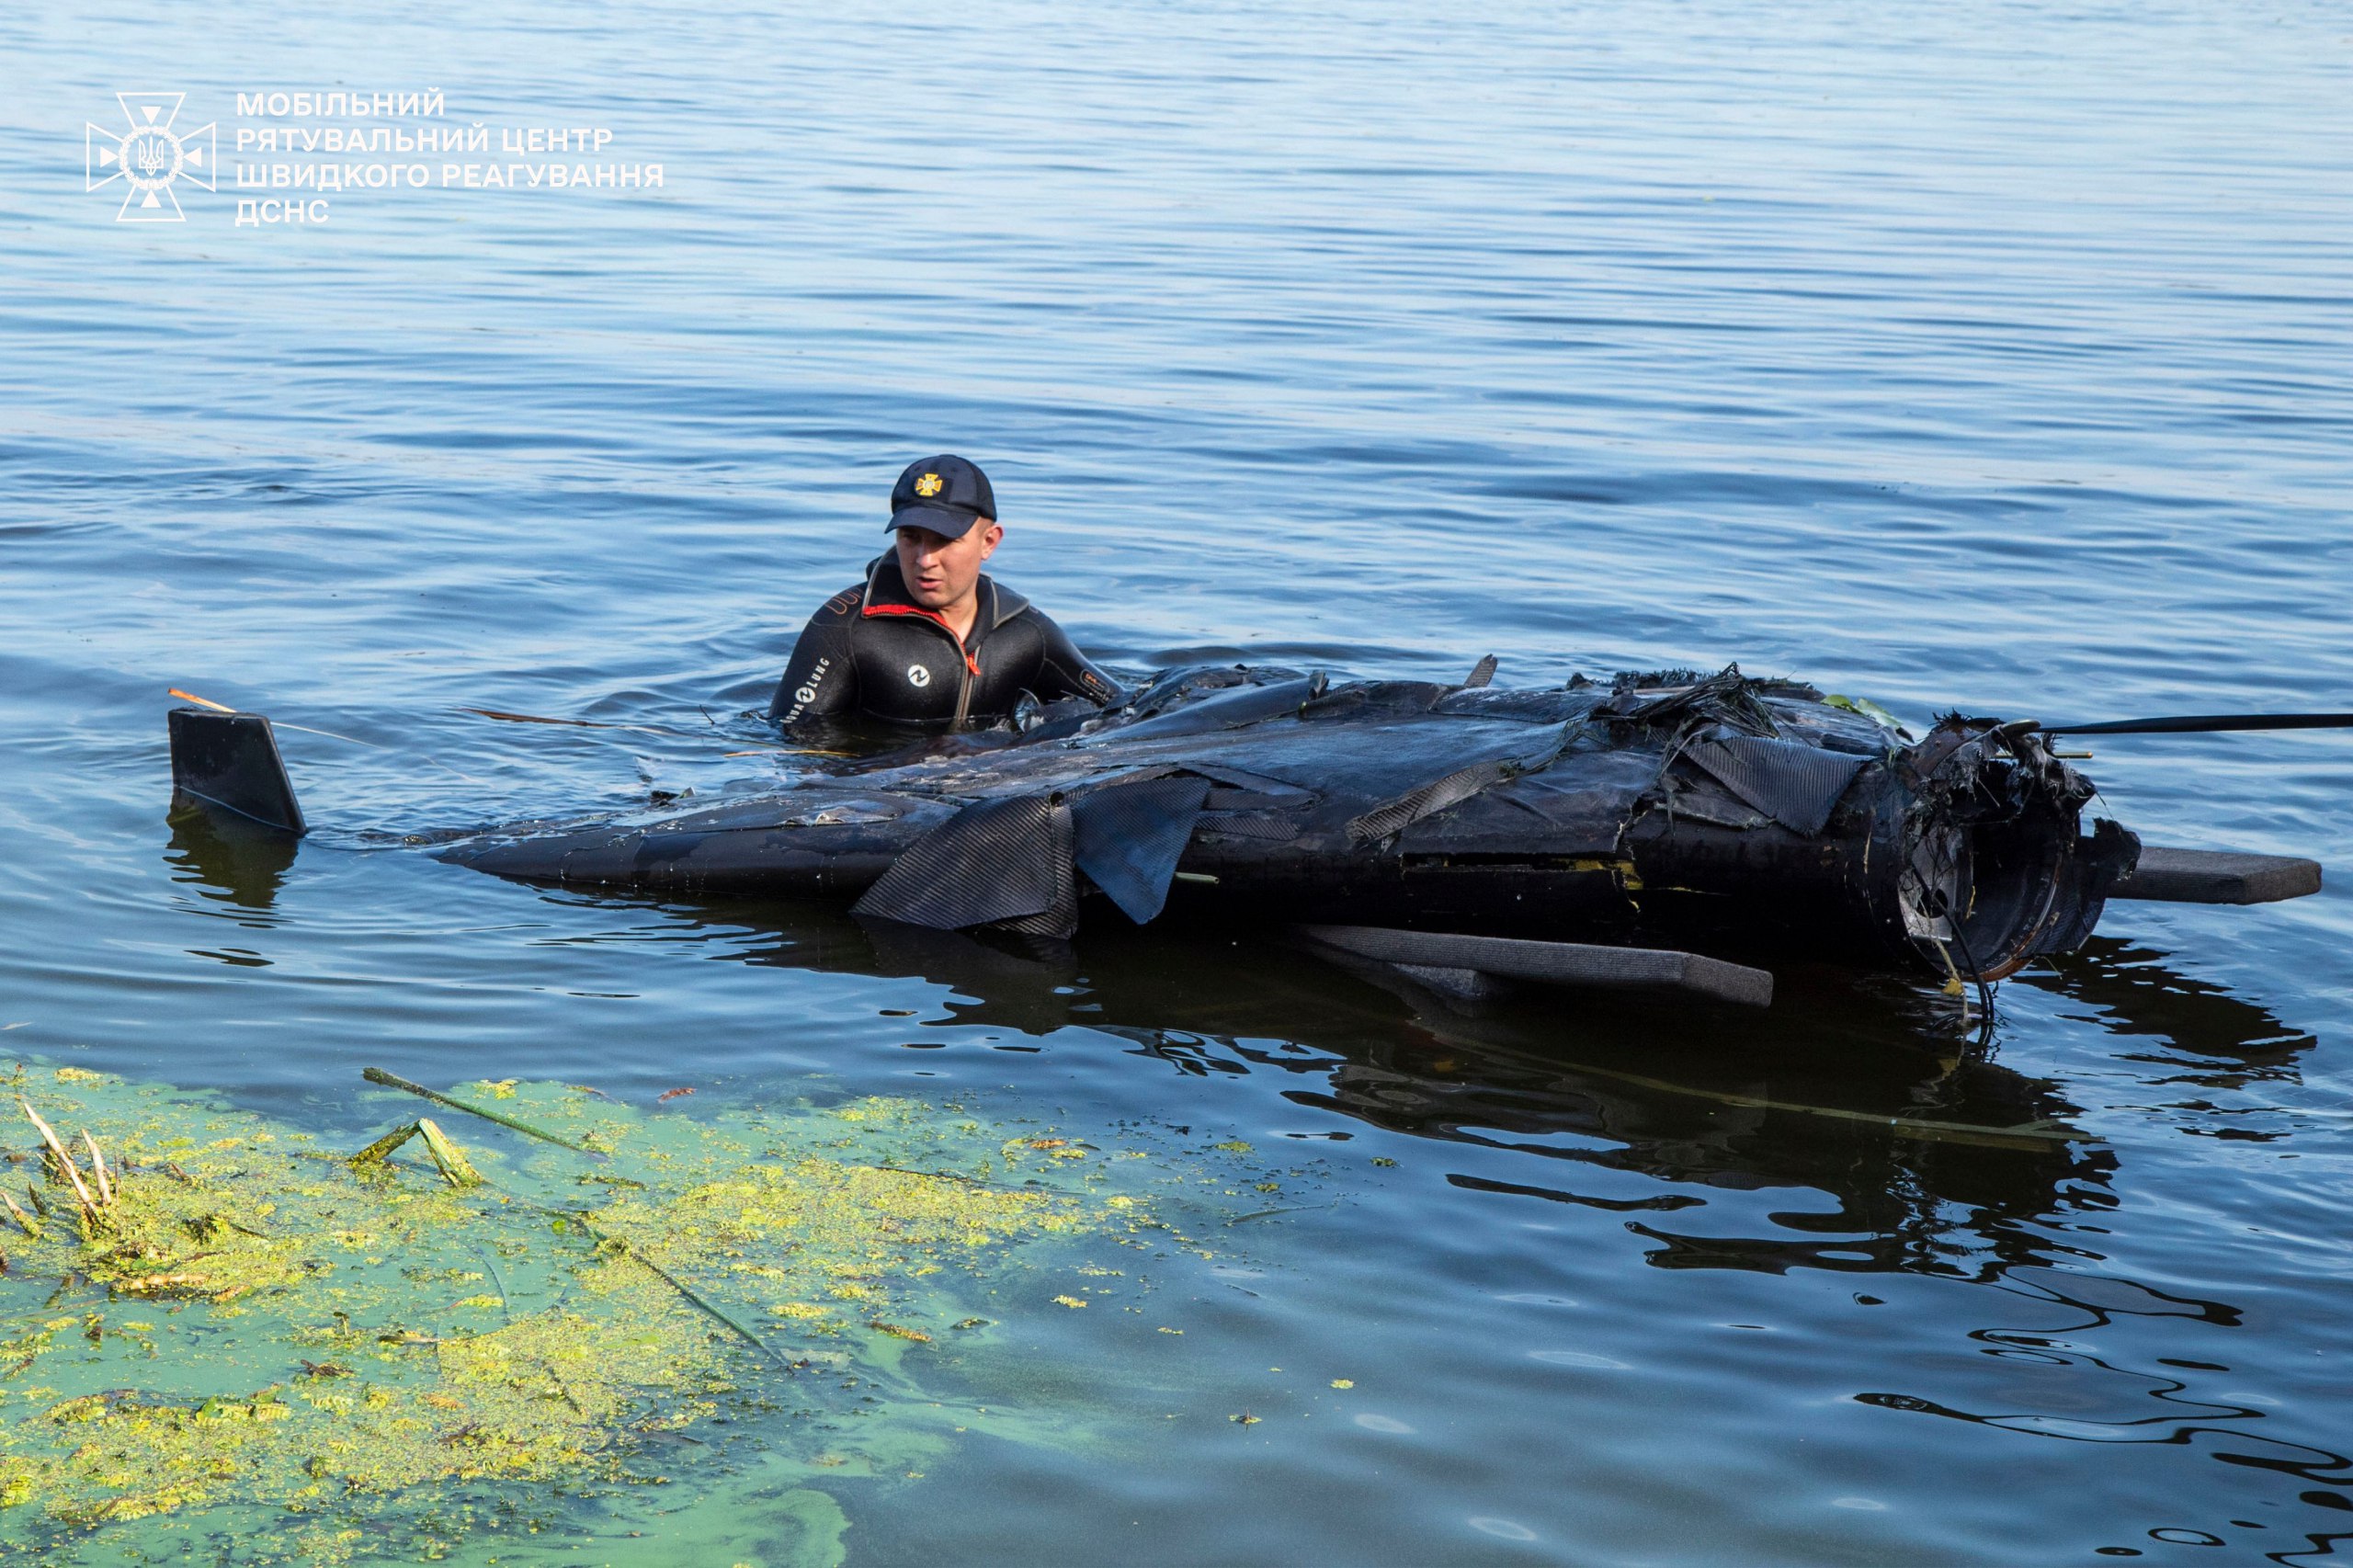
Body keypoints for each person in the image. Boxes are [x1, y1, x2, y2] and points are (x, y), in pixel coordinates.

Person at [768, 454, 1121, 732]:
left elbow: (1126, 709)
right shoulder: (845, 627)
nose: (925, 559)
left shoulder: (1026, 634)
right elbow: (790, 744)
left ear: (989, 542)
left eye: (944, 541)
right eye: (911, 537)